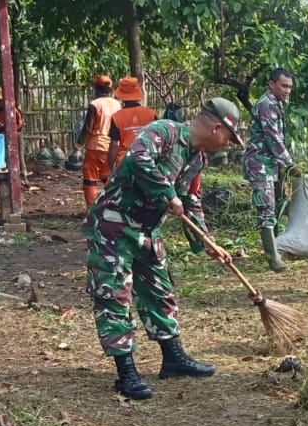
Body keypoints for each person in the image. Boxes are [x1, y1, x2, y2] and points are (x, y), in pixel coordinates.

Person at [83, 99, 245, 401]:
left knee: (159, 290)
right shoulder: (164, 132)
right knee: (115, 294)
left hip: (147, 229)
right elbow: (138, 158)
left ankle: (173, 358)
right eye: (229, 138)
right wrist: (167, 194)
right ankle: (126, 372)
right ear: (216, 127)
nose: (227, 144)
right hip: (114, 224)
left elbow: (190, 199)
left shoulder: (197, 158)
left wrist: (206, 243)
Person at [242, 68, 303, 273]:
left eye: (290, 87)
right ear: (271, 84)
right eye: (284, 86)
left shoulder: (276, 104)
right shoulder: (266, 104)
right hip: (260, 164)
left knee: (277, 205)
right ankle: (273, 258)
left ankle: (275, 248)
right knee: (266, 207)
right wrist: (289, 164)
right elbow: (272, 138)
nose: (287, 91)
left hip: (272, 164)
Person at [77, 74, 121, 209]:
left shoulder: (94, 104)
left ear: (96, 88)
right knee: (107, 178)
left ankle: (92, 210)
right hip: (112, 147)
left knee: (90, 179)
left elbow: (88, 127)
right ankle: (108, 208)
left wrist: (78, 146)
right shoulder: (117, 104)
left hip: (95, 147)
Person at [107, 76, 157, 170]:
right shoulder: (151, 114)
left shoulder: (117, 117)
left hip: (125, 162)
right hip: (147, 160)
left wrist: (110, 167)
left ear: (122, 96)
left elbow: (114, 145)